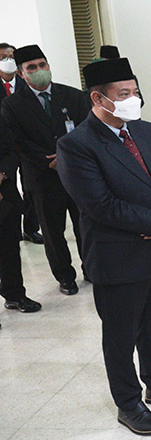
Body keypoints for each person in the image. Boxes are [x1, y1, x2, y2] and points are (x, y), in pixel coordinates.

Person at [56, 57, 151, 435]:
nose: (133, 100)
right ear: (98, 98)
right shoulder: (76, 145)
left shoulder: (145, 130)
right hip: (117, 256)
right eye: (123, 94)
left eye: (135, 92)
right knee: (120, 335)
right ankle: (128, 402)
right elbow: (100, 205)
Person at [1, 45, 89, 295]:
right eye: (32, 67)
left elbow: (86, 129)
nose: (39, 70)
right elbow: (17, 141)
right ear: (21, 73)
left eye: (42, 65)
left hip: (77, 173)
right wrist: (46, 159)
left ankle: (91, 268)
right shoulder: (12, 105)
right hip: (42, 177)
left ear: (49, 66)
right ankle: (65, 276)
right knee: (52, 231)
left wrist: (67, 156)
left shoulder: (72, 96)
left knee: (85, 225)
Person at [0, 43, 42, 245]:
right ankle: (12, 226)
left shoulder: (27, 83)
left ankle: (31, 228)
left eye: (11, 57)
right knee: (9, 186)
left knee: (30, 187)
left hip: (25, 143)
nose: (7, 60)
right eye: (3, 57)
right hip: (5, 147)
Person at [0, 109, 41, 316]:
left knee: (9, 249)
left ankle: (14, 294)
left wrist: (3, 173)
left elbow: (11, 150)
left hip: (4, 195)